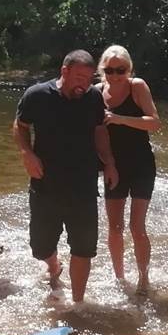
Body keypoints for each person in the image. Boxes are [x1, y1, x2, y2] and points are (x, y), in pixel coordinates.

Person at [13, 50, 119, 304]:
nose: (84, 83)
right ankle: (53, 265)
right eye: (79, 77)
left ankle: (78, 302)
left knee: (84, 248)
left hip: (83, 186)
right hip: (45, 184)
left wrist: (110, 163)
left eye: (89, 78)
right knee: (40, 247)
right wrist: (27, 153)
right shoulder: (37, 95)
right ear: (64, 72)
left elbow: (99, 131)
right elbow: (20, 126)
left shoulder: (93, 97)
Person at [95, 45, 161, 292]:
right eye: (109, 70)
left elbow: (154, 123)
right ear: (103, 70)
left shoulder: (138, 86)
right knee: (115, 227)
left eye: (120, 70)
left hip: (142, 164)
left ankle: (144, 278)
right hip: (113, 166)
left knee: (137, 226)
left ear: (129, 68)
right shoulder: (97, 92)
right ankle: (120, 278)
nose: (114, 75)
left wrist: (119, 118)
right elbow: (95, 133)